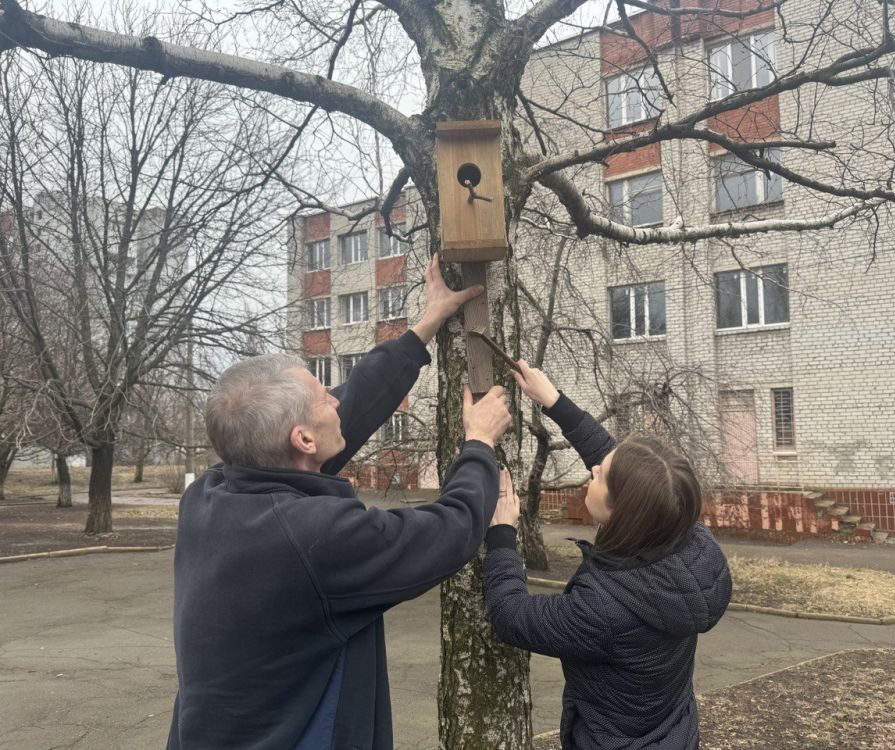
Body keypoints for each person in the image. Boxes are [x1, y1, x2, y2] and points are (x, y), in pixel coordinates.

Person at [167, 254, 512, 750]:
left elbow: (349, 404)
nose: (335, 397)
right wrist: (478, 445)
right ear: (304, 440)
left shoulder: (212, 494)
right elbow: (451, 529)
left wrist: (424, 328)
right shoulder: (315, 537)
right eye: (322, 396)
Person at [483, 362, 732, 750]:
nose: (593, 469)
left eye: (600, 477)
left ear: (623, 510)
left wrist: (501, 535)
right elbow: (625, 469)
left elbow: (511, 617)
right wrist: (553, 401)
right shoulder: (689, 539)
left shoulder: (603, 611)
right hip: (675, 736)